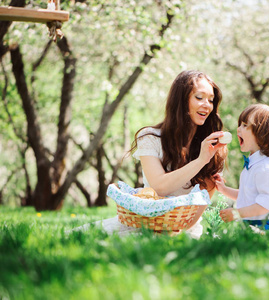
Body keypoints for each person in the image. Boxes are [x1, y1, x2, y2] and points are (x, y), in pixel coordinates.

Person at [72, 70, 228, 238]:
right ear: (181, 100)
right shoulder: (150, 138)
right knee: (76, 237)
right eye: (199, 97)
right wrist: (200, 160)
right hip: (143, 223)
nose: (207, 105)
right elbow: (160, 187)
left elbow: (191, 220)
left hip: (182, 233)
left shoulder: (212, 150)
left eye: (211, 100)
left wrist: (205, 158)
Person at [214, 104, 269, 235]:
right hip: (252, 223)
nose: (238, 129)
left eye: (244, 125)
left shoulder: (266, 168)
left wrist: (236, 213)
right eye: (240, 124)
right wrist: (224, 190)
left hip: (266, 225)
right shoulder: (253, 164)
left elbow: (266, 204)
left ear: (262, 134)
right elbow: (248, 196)